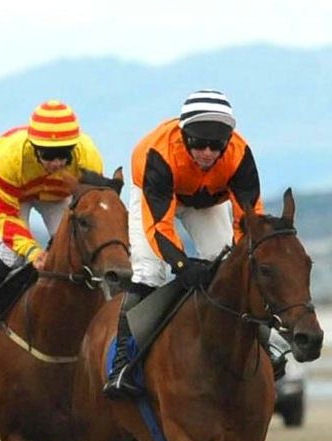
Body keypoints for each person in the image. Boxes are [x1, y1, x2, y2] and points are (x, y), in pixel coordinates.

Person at [103, 89, 280, 399]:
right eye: (199, 143)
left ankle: (267, 343)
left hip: (206, 201)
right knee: (149, 272)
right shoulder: (158, 154)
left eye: (216, 145)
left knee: (230, 267)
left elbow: (250, 219)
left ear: (228, 141)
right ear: (184, 135)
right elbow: (159, 227)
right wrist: (182, 265)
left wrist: (244, 257)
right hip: (157, 197)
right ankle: (122, 362)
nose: (208, 153)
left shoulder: (240, 155)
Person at [0, 100, 103, 347]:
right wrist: (32, 251)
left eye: (63, 155)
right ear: (34, 148)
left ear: (74, 148)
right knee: (12, 256)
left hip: (57, 196)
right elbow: (5, 216)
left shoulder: (89, 158)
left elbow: (89, 205)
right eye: (48, 156)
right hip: (17, 196)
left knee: (76, 246)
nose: (56, 163)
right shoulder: (6, 159)